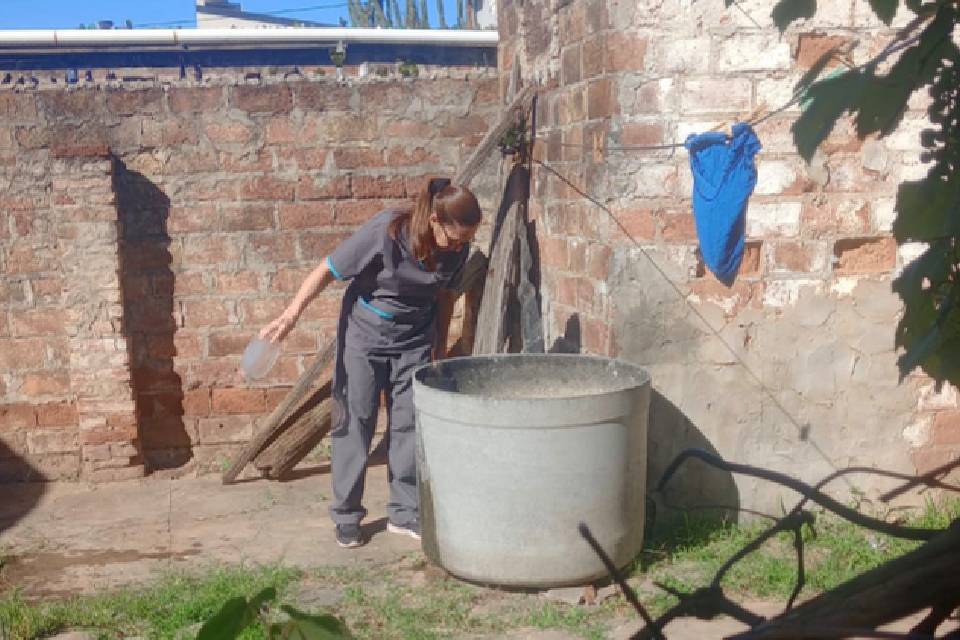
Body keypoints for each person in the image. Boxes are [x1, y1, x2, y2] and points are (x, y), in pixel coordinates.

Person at [260, 177, 481, 548]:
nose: (460, 247)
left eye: (466, 240)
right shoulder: (387, 231)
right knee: (355, 420)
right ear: (434, 222)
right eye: (455, 238)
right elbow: (327, 269)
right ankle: (346, 515)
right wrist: (290, 315)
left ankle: (405, 512)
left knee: (409, 424)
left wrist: (439, 347)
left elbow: (445, 295)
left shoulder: (457, 249)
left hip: (415, 338)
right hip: (366, 334)